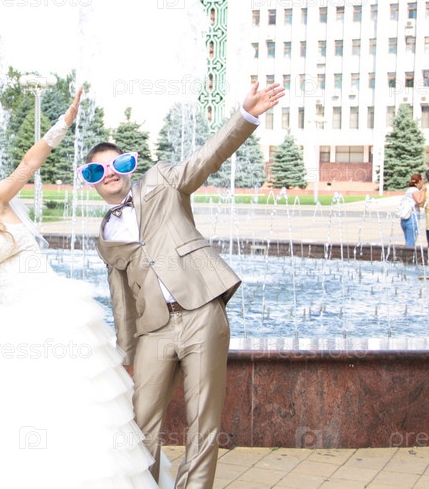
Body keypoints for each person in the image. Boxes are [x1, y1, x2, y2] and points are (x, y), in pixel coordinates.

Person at [0, 88, 171, 488]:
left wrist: (63, 122)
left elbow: (28, 164)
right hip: (8, 322)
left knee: (73, 402)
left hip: (53, 309)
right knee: (14, 411)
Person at [82, 82, 284, 487]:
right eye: (97, 171)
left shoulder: (161, 182)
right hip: (154, 329)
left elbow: (206, 158)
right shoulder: (104, 236)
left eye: (116, 164)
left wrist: (245, 115)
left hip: (200, 312)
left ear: (128, 167)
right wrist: (126, 352)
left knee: (203, 420)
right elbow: (121, 299)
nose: (109, 174)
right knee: (140, 423)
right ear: (91, 181)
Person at [399, 173, 426, 246]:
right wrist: (423, 191)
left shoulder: (409, 190)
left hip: (406, 219)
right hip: (412, 219)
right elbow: (419, 202)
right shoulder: (414, 190)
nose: (423, 183)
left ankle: (407, 253)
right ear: (419, 181)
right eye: (422, 180)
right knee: (410, 244)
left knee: (409, 242)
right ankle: (408, 254)